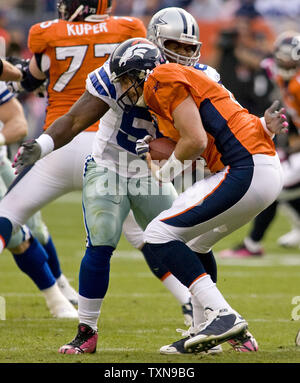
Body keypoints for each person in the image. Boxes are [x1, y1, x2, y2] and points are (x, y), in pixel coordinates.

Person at [10, 12, 287, 356]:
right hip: (112, 164)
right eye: (172, 45)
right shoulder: (126, 67)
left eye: (188, 48)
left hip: (157, 170)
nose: (181, 54)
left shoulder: (194, 76)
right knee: (102, 242)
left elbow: (218, 124)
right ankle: (87, 330)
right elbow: (76, 118)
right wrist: (45, 144)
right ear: (155, 42)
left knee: (173, 238)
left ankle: (213, 321)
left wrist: (260, 124)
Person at [109, 37, 287, 354]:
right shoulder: (171, 95)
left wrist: (163, 173)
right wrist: (153, 150)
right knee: (195, 242)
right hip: (258, 167)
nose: (124, 88)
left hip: (246, 168)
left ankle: (223, 316)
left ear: (140, 72)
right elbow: (209, 131)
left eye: (124, 79)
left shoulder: (160, 78)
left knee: (158, 233)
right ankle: (210, 333)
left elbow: (195, 141)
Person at [0, 80, 78, 318]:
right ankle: (56, 296)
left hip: (2, 160)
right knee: (15, 233)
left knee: (30, 229)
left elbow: (18, 124)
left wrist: (17, 72)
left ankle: (59, 287)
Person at [219, 31, 300, 258]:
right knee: (278, 180)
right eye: (281, 56)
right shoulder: (274, 68)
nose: (283, 61)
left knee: (276, 185)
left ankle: (252, 244)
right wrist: (237, 47)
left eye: (288, 58)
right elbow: (262, 62)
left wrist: (292, 146)